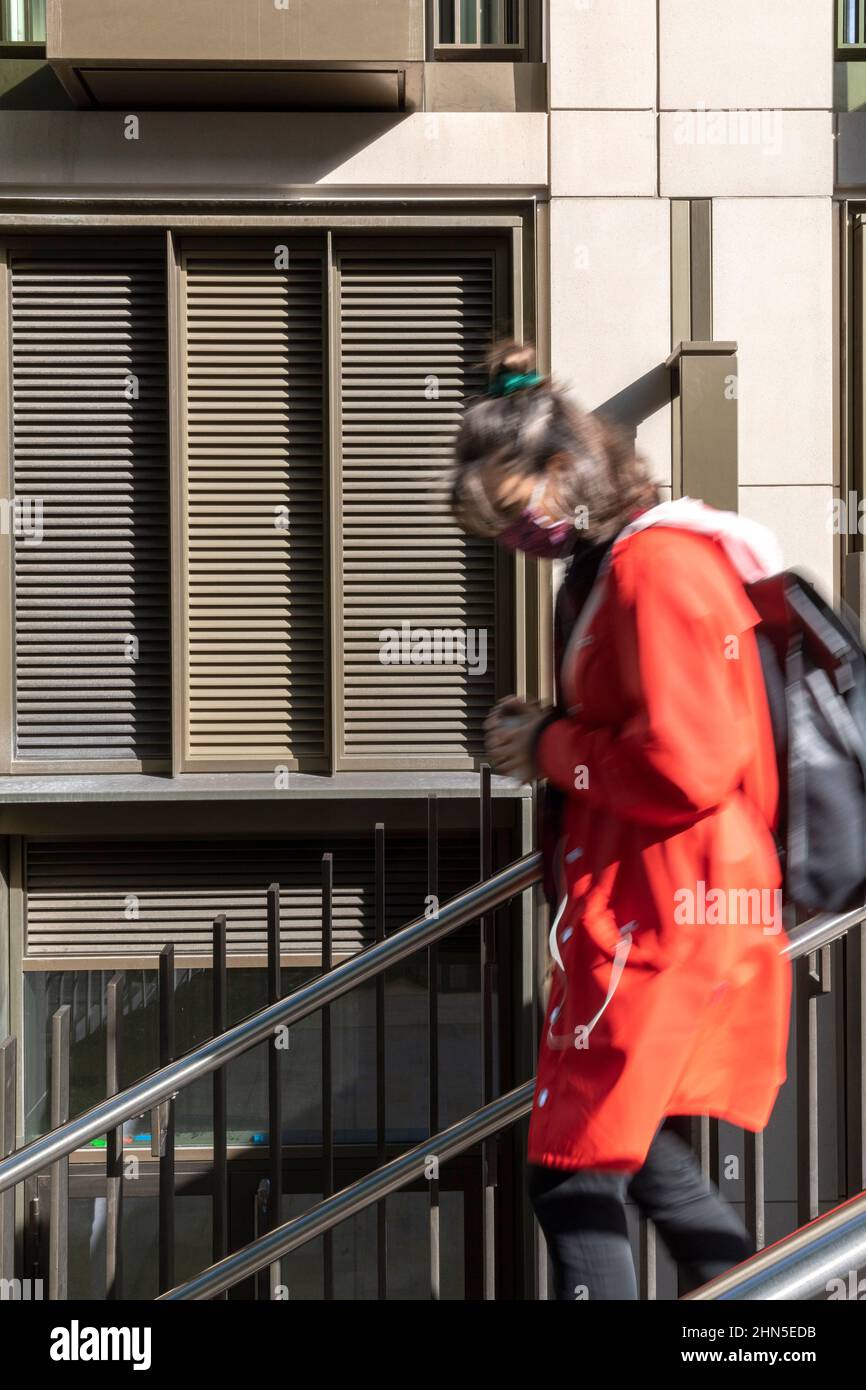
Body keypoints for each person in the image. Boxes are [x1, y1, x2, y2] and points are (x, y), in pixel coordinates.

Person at [450, 341, 792, 1300]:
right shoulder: (625, 569)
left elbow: (687, 762)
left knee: (572, 1176)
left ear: (566, 471)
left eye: (516, 515)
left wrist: (551, 745)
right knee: (639, 1161)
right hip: (658, 906)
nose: (517, 542)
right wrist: (557, 735)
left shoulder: (655, 571)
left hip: (665, 914)